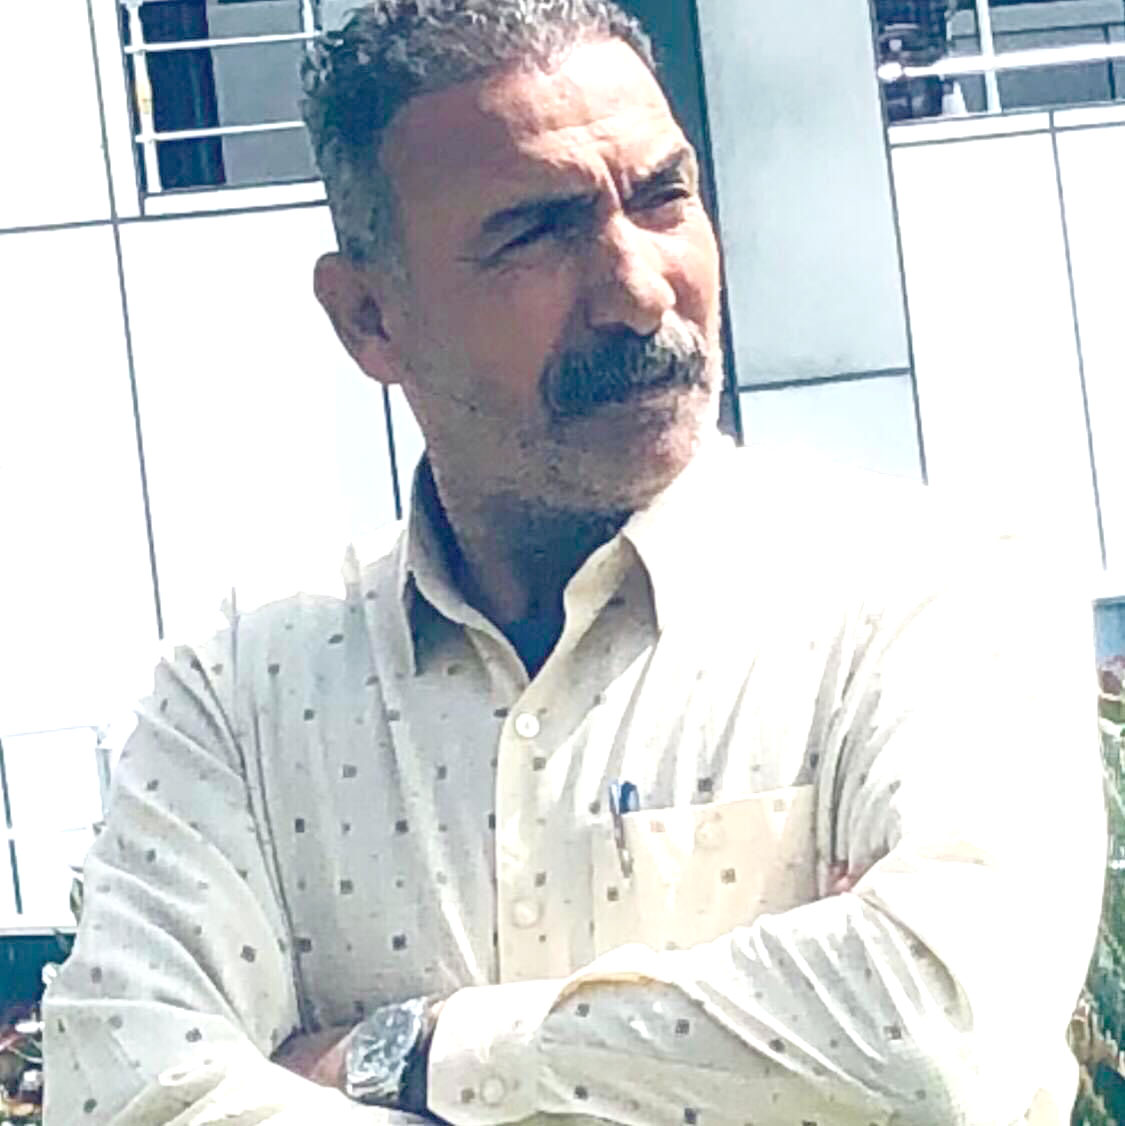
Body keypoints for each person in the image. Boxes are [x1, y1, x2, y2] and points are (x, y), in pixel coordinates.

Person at [44, 2, 1105, 1123]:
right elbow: (124, 1094)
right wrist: (766, 1032)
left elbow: (932, 1026)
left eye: (663, 197)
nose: (639, 291)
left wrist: (411, 1053)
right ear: (369, 318)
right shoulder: (240, 697)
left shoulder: (936, 593)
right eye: (537, 233)